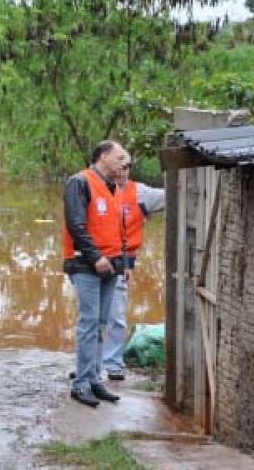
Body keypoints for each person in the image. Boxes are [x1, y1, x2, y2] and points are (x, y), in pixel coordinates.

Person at [63, 140, 127, 407]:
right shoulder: (80, 182)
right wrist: (96, 257)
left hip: (110, 266)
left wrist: (120, 262)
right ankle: (80, 385)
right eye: (119, 157)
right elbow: (76, 225)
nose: (124, 163)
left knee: (102, 324)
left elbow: (115, 229)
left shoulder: (114, 187)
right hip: (86, 265)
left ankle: (93, 379)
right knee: (89, 324)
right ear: (102, 156)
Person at [102, 154, 165, 381]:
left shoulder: (141, 193)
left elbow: (176, 196)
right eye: (119, 165)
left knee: (116, 315)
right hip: (91, 260)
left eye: (127, 166)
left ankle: (113, 363)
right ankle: (86, 364)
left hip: (121, 263)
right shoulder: (93, 188)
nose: (122, 170)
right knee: (89, 317)